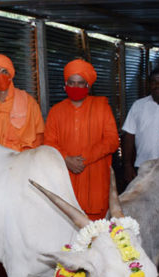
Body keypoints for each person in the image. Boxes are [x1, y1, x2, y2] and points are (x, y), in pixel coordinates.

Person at [43, 59, 120, 220]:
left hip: (95, 181)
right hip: (65, 180)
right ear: (65, 85)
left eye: (80, 83)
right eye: (71, 83)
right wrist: (66, 159)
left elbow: (112, 140)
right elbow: (49, 143)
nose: (75, 87)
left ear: (88, 86)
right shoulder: (56, 112)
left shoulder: (102, 107)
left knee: (96, 233)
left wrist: (83, 159)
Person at [0, 53, 44, 151]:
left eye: (4, 71)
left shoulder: (29, 102)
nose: (0, 76)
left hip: (22, 161)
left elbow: (39, 137)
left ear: (10, 75)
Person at [122, 67, 159, 183]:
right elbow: (129, 135)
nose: (157, 85)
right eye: (154, 81)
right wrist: (127, 165)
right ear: (148, 85)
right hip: (143, 166)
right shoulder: (138, 105)